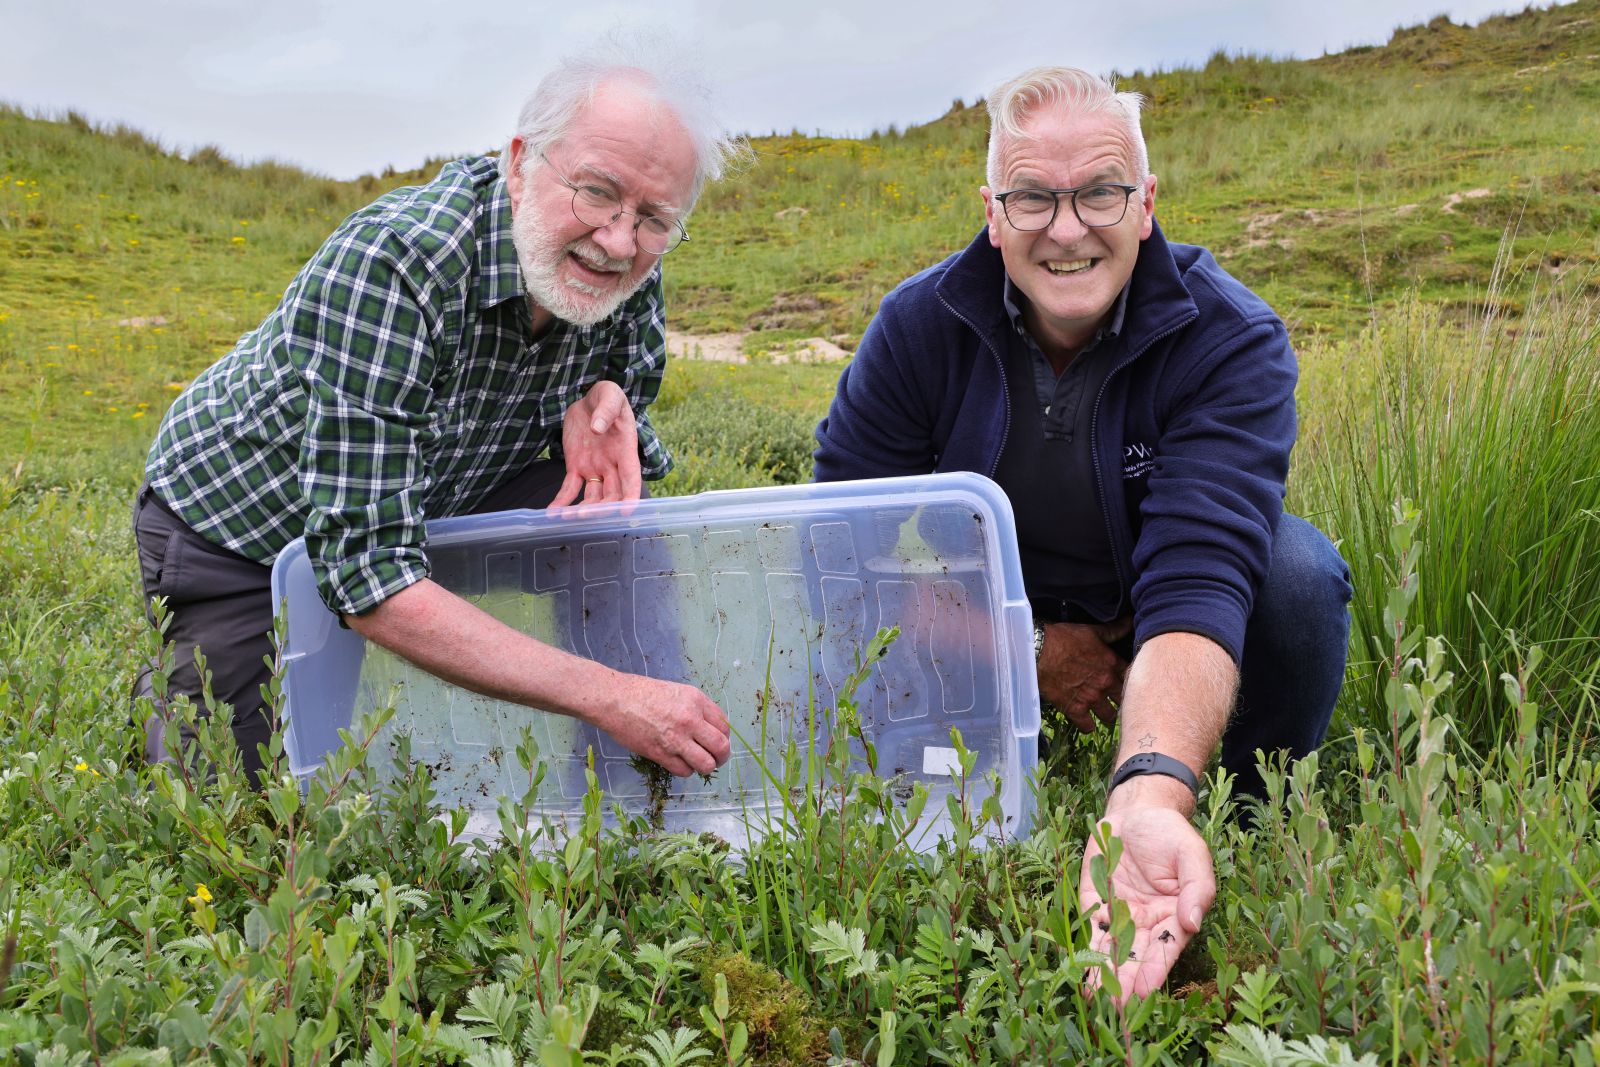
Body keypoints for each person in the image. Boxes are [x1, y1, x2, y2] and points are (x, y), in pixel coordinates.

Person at [813, 67, 1352, 999]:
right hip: (990, 604)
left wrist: (1146, 788)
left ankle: (1253, 824)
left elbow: (1199, 578)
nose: (1067, 229)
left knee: (1299, 573)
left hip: (1151, 603)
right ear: (992, 211)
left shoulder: (1232, 339)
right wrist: (1019, 648)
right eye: (1033, 198)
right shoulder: (915, 327)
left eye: (1100, 192)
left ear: (1146, 204)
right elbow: (838, 545)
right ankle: (939, 800)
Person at [135, 39, 746, 785]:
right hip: (244, 528)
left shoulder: (626, 260)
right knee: (234, 811)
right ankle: (189, 691)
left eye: (654, 217)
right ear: (520, 163)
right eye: (595, 193)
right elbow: (366, 577)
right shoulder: (397, 264)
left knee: (614, 518)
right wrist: (604, 694)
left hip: (435, 494)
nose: (619, 241)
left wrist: (607, 396)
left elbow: (633, 373)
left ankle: (634, 796)